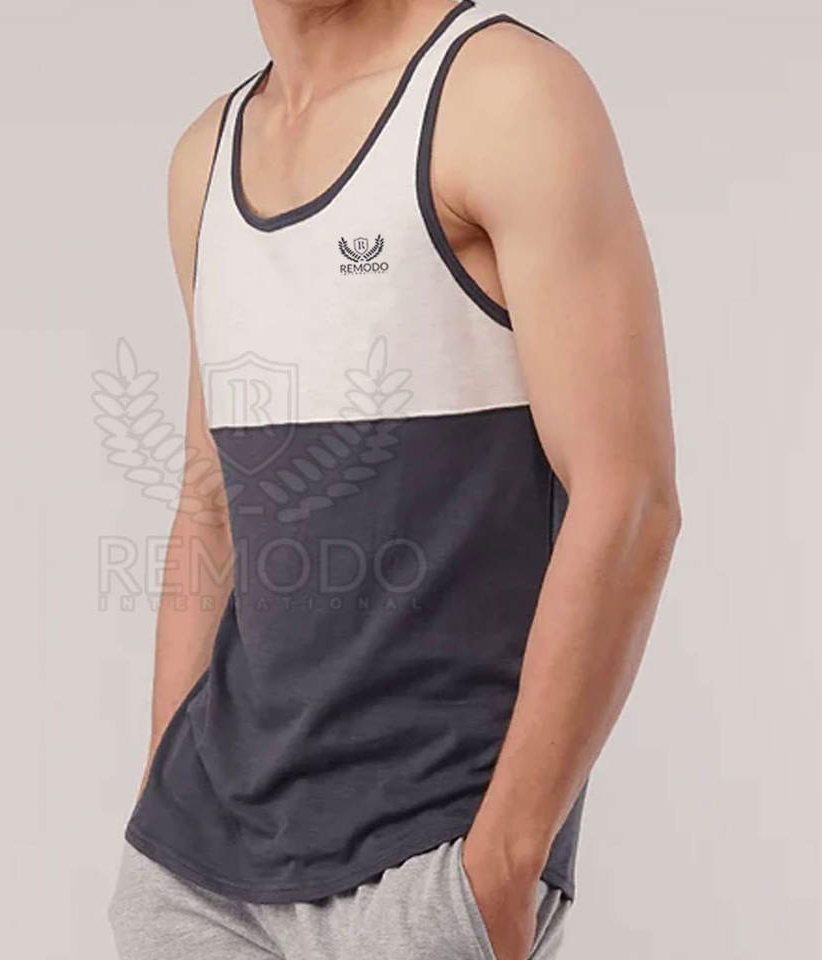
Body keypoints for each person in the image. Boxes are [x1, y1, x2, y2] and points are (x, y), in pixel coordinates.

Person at [108, 2, 680, 957]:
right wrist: (157, 816)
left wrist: (505, 862)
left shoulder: (500, 95)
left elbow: (629, 500)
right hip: (201, 881)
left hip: (424, 870)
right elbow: (210, 503)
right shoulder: (204, 158)